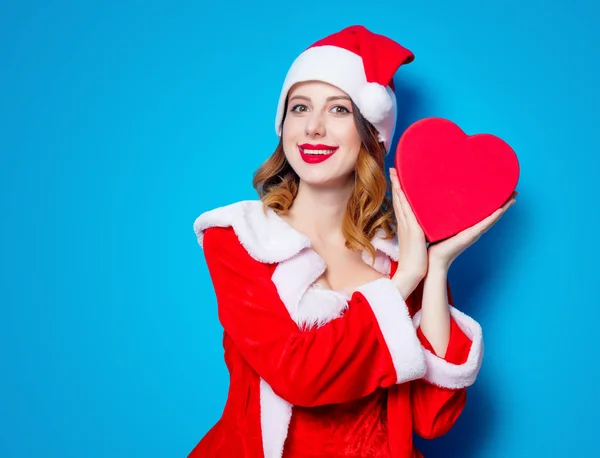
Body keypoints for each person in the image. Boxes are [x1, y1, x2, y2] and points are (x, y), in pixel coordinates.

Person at [189, 25, 516, 458]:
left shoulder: (402, 259)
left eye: (339, 110)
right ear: (282, 124)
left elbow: (432, 417)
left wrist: (434, 270)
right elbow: (298, 375)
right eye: (299, 107)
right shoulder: (241, 239)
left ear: (371, 132)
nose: (314, 127)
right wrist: (402, 286)